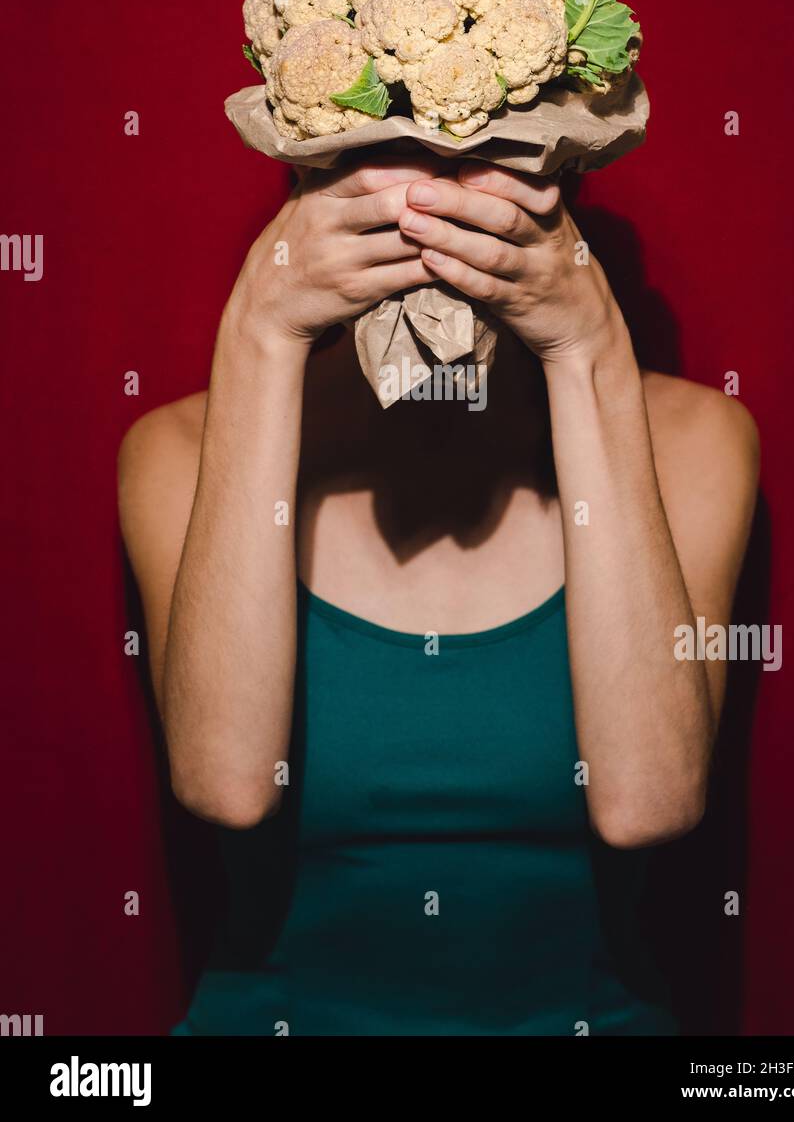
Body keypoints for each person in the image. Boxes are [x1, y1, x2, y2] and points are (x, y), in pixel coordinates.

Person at [117, 154, 760, 1036]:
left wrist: (589, 351)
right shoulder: (178, 449)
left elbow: (650, 801)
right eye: (389, 151)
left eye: (477, 158)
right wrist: (261, 333)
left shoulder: (694, 438)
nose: (432, 198)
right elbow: (226, 782)